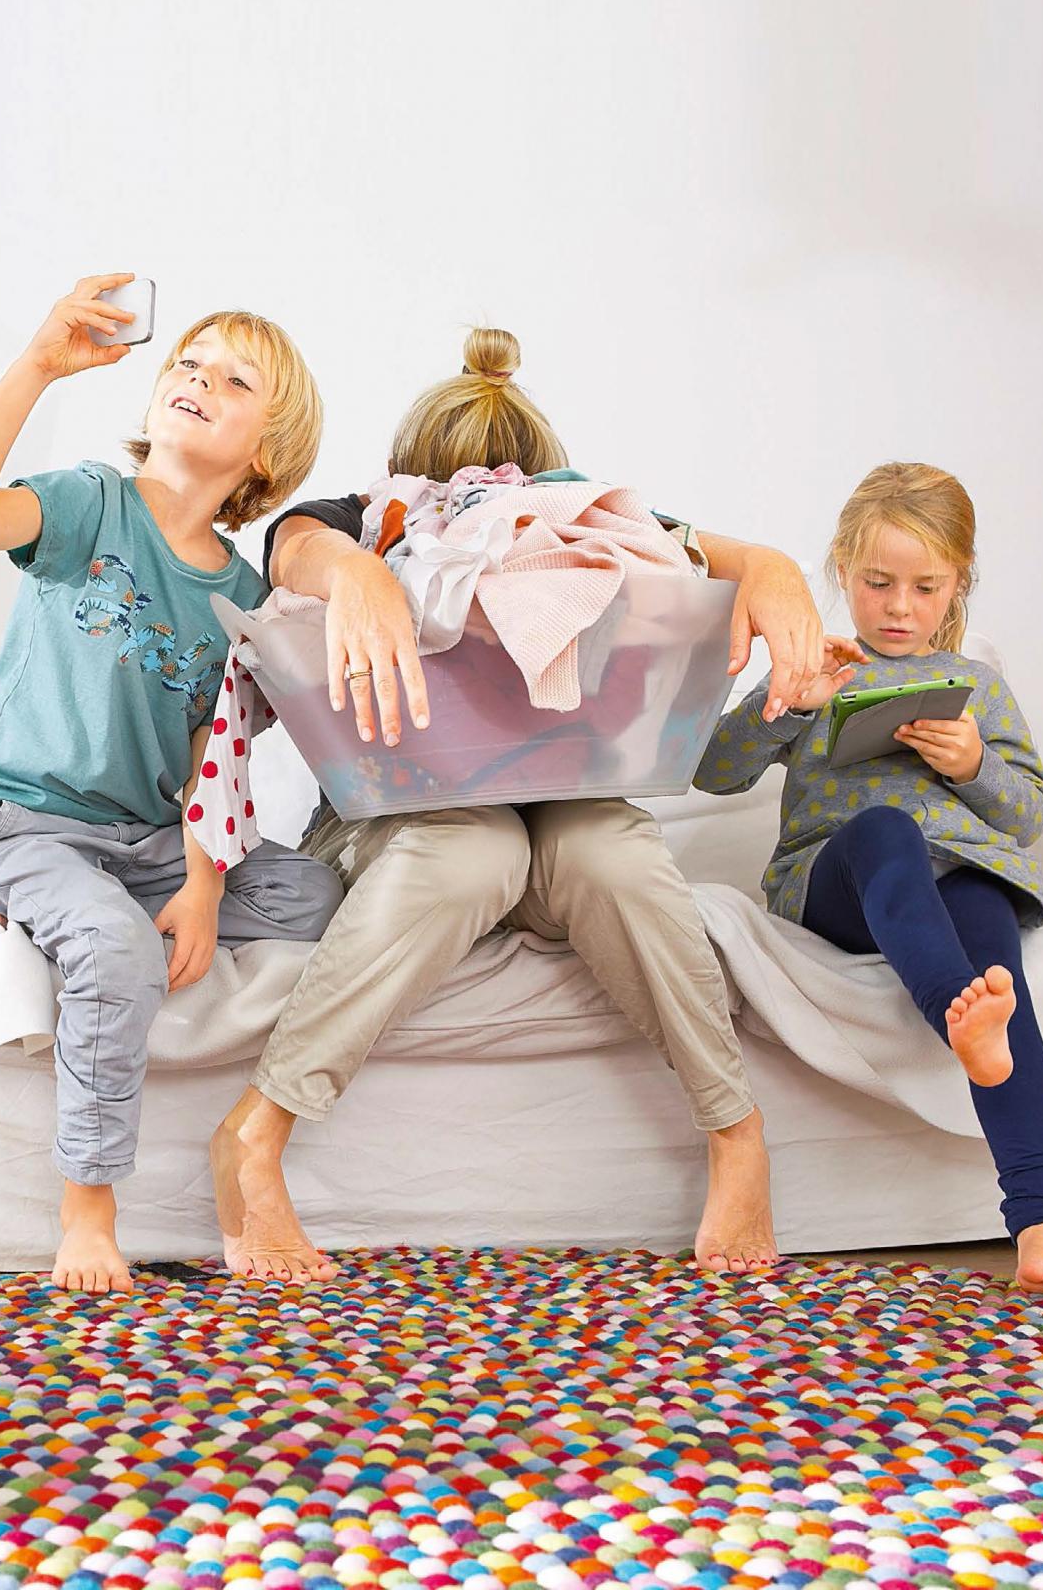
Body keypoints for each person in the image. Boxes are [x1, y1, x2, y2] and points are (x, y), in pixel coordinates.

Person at [210, 327, 833, 1281]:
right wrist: (362, 570)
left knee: (606, 851)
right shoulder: (357, 515)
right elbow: (295, 544)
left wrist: (775, 574)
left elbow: (734, 557)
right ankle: (256, 1130)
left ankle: (734, 1131)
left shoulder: (585, 521)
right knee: (476, 847)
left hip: (565, 810)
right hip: (398, 815)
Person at [0, 275, 345, 1293]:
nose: (198, 378)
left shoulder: (243, 592)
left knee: (315, 896)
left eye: (235, 379)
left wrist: (200, 885)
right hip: (28, 822)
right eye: (189, 362)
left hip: (148, 842)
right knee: (115, 949)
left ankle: (63, 917)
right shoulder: (89, 503)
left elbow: (215, 753)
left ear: (266, 451)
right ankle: (88, 1206)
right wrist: (38, 364)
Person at [693, 460, 1043, 1296]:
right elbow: (713, 774)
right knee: (885, 828)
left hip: (963, 871)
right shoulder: (818, 665)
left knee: (995, 956)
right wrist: (791, 702)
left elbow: (1026, 816)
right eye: (877, 584)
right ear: (842, 571)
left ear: (958, 584)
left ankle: (1038, 1224)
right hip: (840, 877)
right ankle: (954, 1011)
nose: (899, 608)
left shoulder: (978, 688)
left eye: (924, 587)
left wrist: (973, 763)